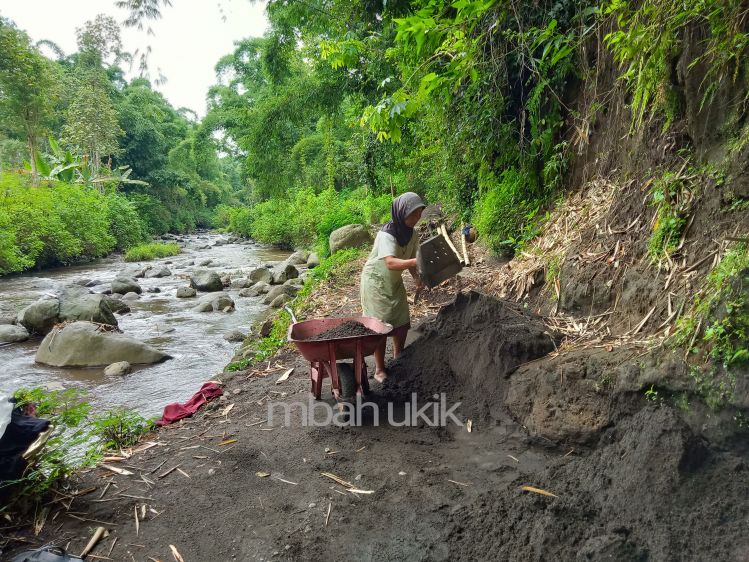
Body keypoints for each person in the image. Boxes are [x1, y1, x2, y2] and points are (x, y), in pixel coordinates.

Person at [360, 192, 426, 382]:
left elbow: (412, 260)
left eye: (419, 213)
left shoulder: (413, 234)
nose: (417, 218)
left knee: (401, 321)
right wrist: (416, 261)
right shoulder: (386, 234)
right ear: (401, 212)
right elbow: (390, 262)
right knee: (380, 326)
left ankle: (399, 358)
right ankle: (379, 369)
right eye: (413, 214)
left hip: (394, 282)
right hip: (375, 283)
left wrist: (416, 278)